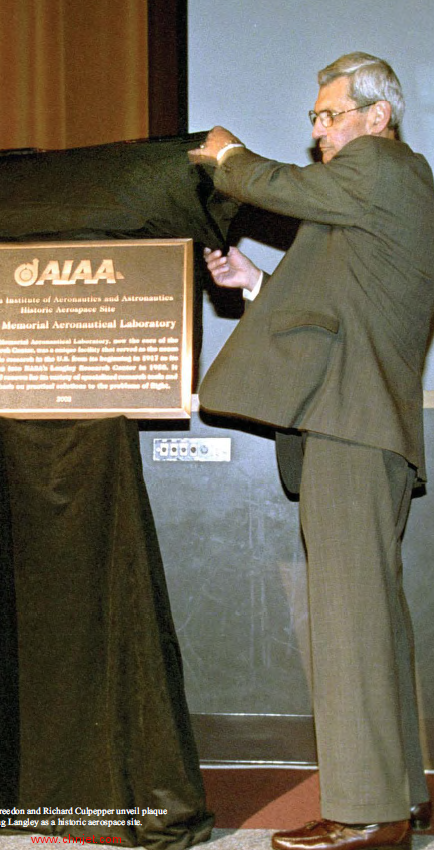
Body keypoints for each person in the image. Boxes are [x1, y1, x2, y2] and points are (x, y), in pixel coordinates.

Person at [189, 52, 434, 850]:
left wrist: (227, 155)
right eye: (316, 118)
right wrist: (257, 283)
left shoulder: (387, 166)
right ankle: (397, 793)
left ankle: (365, 815)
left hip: (351, 426)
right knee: (369, 620)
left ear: (377, 116)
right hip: (361, 427)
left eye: (331, 115)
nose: (319, 131)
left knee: (345, 621)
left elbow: (277, 187)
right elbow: (341, 295)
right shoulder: (372, 195)